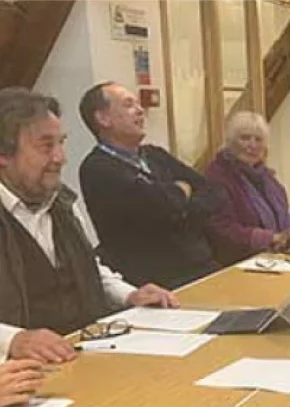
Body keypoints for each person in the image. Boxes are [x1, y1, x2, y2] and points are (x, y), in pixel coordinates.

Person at [0, 87, 177, 364]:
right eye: (46, 146)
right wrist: (14, 339)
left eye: (62, 143)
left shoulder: (63, 204)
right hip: (23, 375)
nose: (60, 157)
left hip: (86, 352)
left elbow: (89, 266)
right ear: (4, 154)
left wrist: (130, 294)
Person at [78, 82, 219, 289]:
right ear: (103, 118)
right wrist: (182, 191)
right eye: (128, 105)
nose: (140, 110)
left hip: (201, 265)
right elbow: (161, 207)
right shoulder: (98, 169)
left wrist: (181, 209)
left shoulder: (155, 155)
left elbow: (214, 193)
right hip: (154, 282)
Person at [203, 111, 290, 266]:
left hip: (275, 260)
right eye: (244, 138)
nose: (252, 145)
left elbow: (279, 221)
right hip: (236, 266)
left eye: (258, 139)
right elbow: (222, 231)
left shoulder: (269, 179)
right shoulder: (217, 177)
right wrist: (272, 238)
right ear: (230, 141)